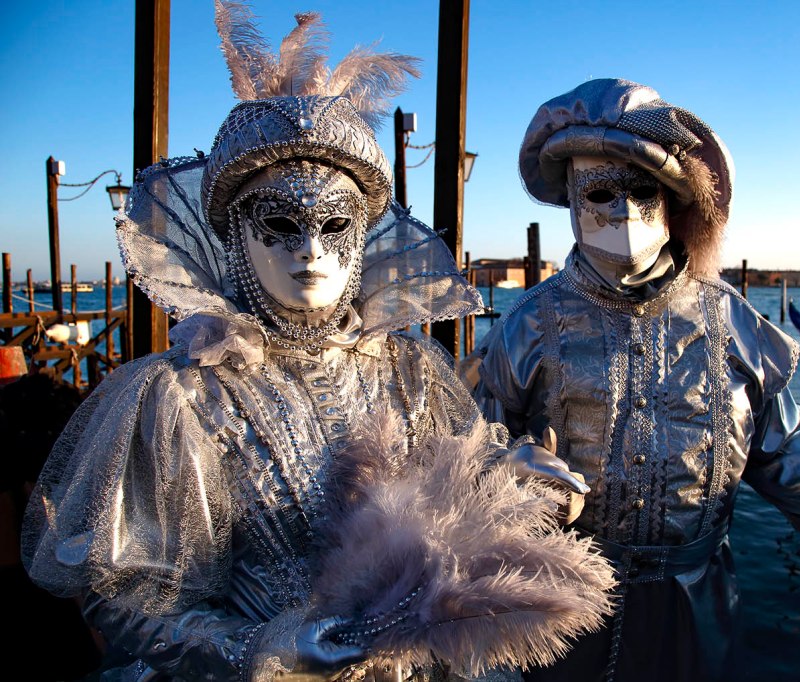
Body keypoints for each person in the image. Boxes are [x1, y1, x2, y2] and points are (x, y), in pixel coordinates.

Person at [20, 5, 609, 681]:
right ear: (234, 234)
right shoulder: (182, 396)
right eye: (279, 223)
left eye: (334, 225)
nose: (309, 249)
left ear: (363, 234)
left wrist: (512, 485)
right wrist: (261, 649)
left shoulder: (412, 368)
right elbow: (125, 601)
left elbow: (449, 507)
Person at [468, 78, 800, 682]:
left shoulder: (733, 322)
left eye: (642, 191)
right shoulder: (528, 324)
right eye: (601, 192)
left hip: (697, 605)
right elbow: (472, 450)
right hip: (560, 608)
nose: (622, 210)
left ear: (670, 197)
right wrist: (515, 480)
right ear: (573, 201)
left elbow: (783, 448)